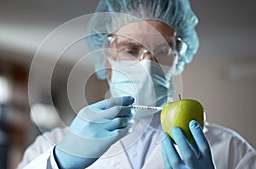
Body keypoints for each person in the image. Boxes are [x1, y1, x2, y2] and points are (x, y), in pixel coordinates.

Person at [17, 0, 256, 169]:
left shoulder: (230, 149)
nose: (147, 65)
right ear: (105, 56)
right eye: (130, 50)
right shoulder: (51, 148)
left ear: (179, 59)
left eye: (162, 51)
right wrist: (59, 162)